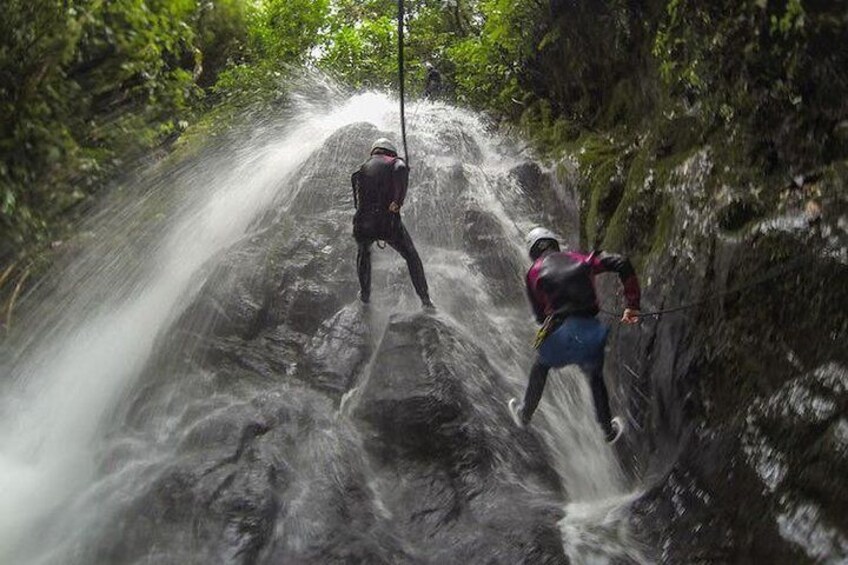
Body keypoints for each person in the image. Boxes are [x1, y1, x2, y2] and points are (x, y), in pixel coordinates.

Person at [508, 227, 641, 443]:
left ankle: (525, 414)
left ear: (532, 251)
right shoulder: (582, 259)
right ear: (555, 244)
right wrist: (632, 305)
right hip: (590, 334)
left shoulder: (533, 272)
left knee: (540, 367)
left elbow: (541, 316)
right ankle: (607, 430)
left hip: (561, 333)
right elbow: (621, 262)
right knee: (595, 376)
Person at [351, 138, 434, 309]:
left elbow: (357, 199)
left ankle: (365, 296)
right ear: (391, 151)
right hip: (386, 222)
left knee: (363, 253)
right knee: (411, 256)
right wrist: (398, 200)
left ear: (375, 150)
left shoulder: (362, 168)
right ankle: (425, 300)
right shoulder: (395, 162)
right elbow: (401, 169)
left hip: (362, 223)